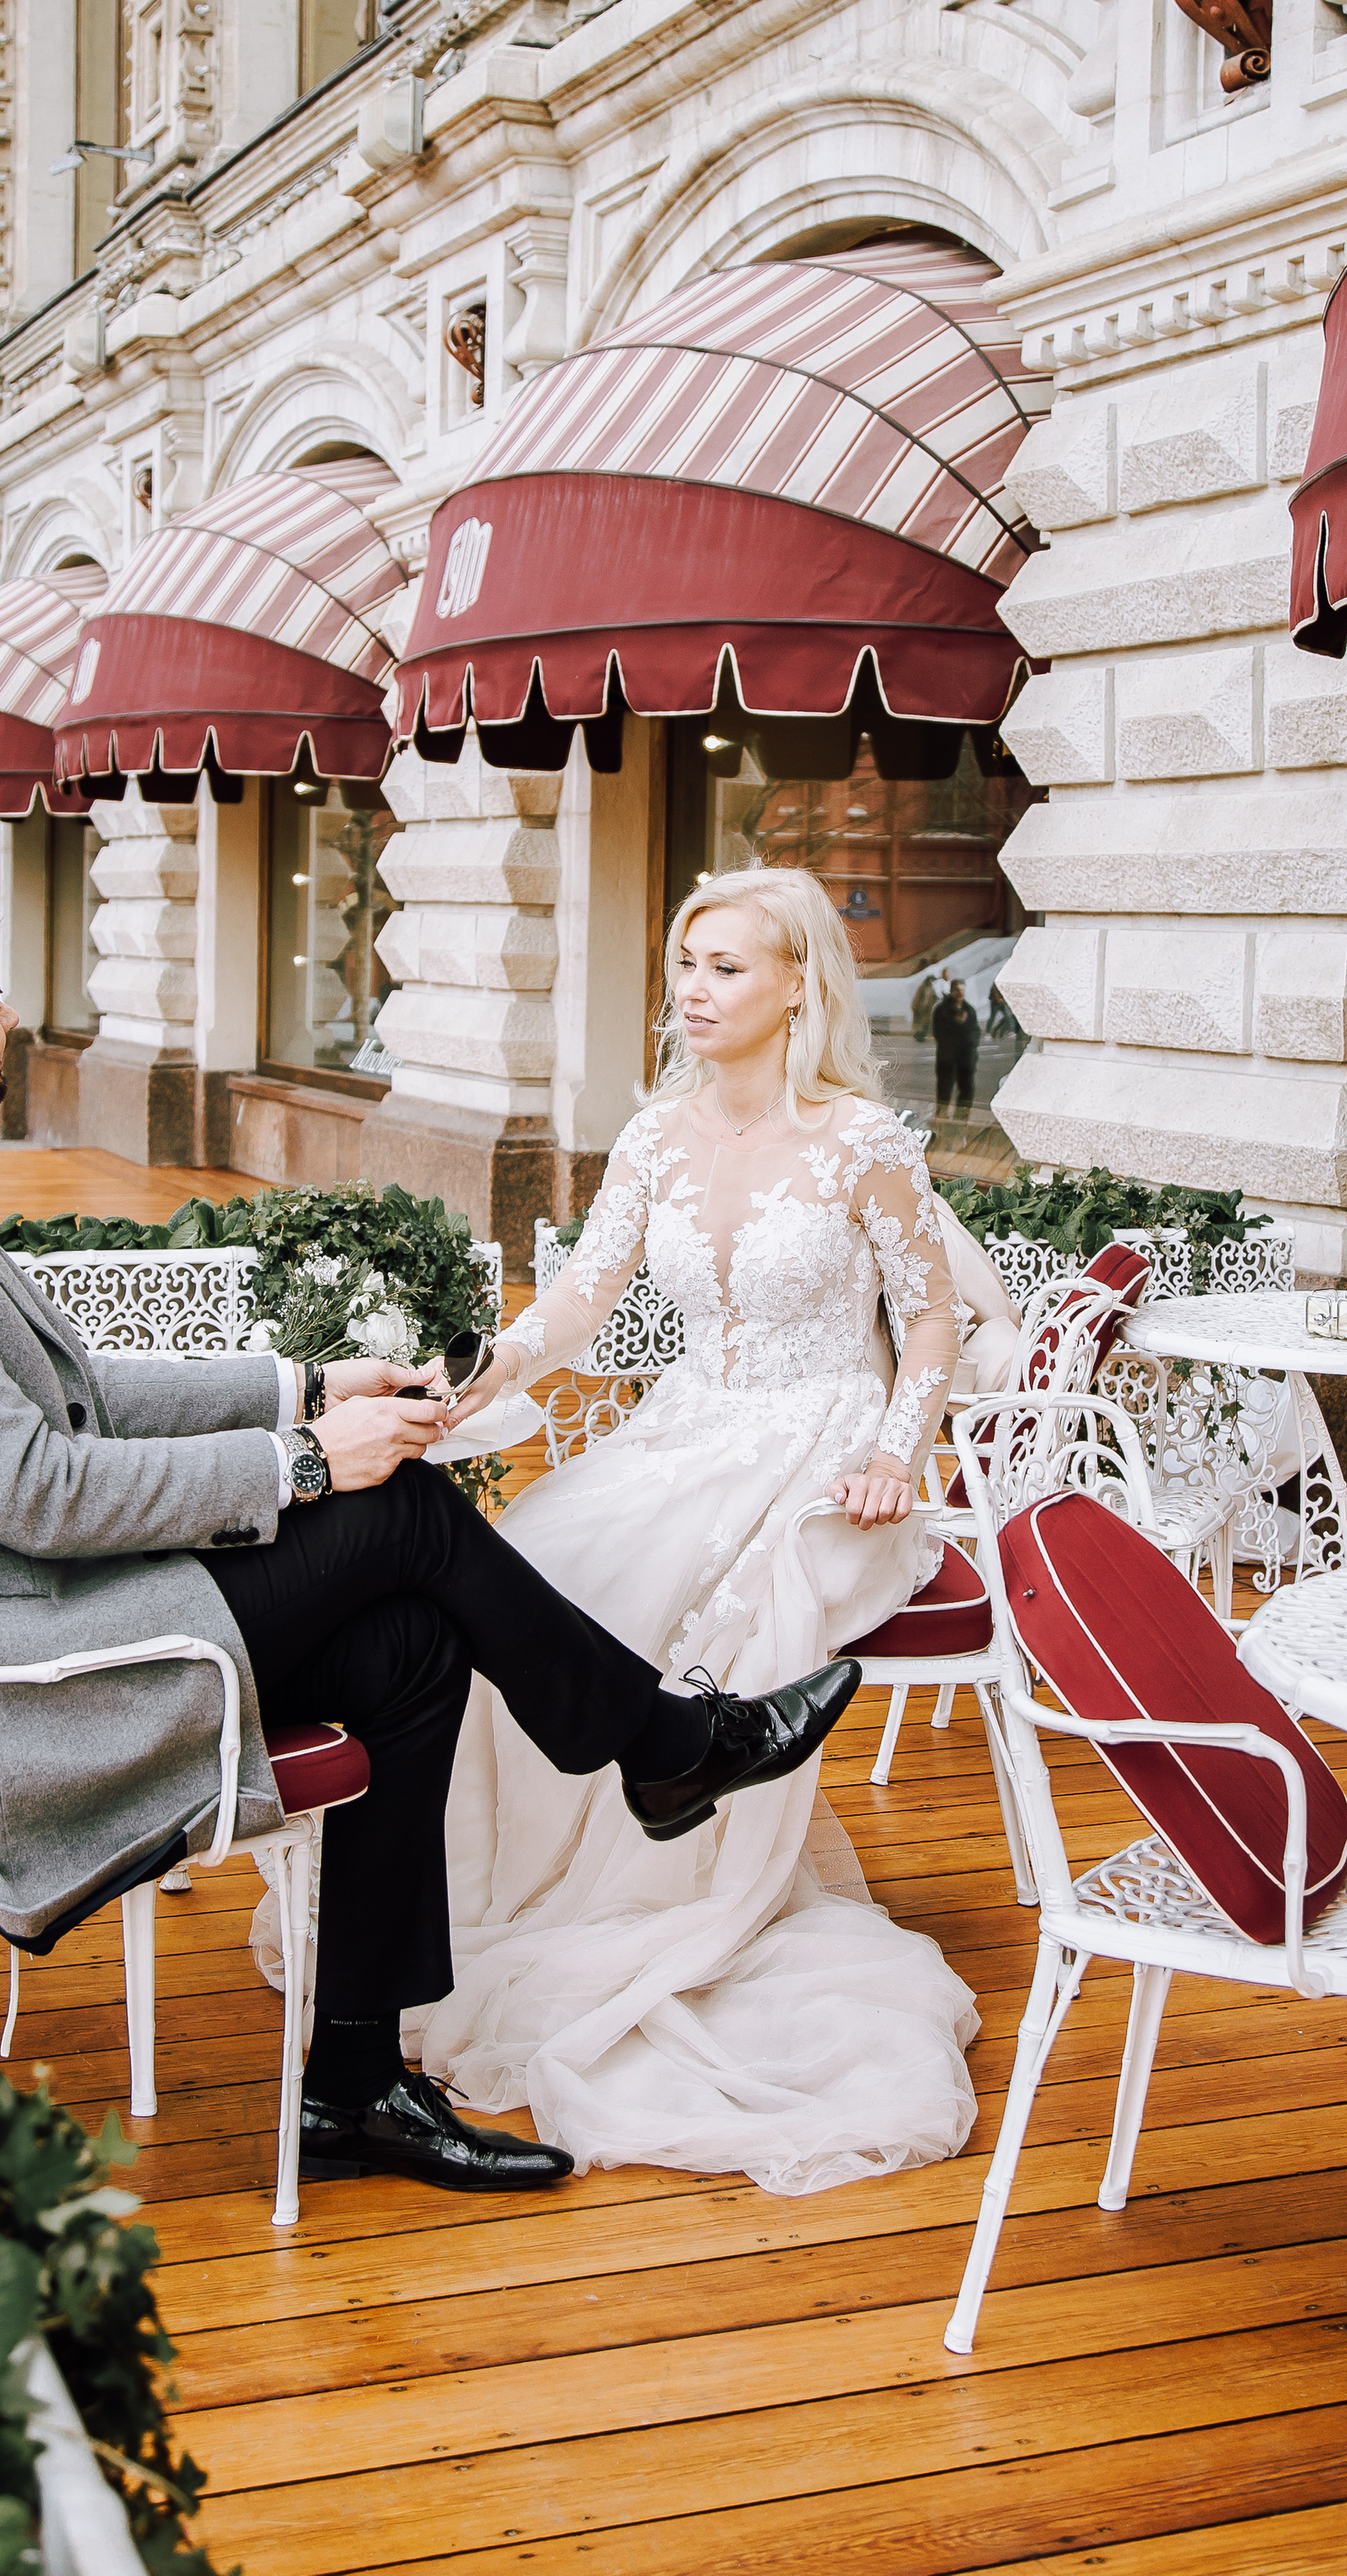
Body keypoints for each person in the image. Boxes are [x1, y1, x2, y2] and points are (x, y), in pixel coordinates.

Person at [0, 894, 861, 2199]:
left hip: (27, 1608)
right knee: (399, 1512)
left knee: (410, 1644)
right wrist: (307, 1462)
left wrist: (304, 1388)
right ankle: (666, 1744)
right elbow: (38, 1491)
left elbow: (77, 1396)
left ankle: (356, 2085)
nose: (10, 1021)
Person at [429, 864, 979, 2194]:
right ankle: (532, 1890)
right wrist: (500, 1365)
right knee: (535, 1570)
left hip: (827, 1446)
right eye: (687, 962)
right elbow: (583, 1297)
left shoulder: (864, 1143)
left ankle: (672, 1886)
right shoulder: (654, 1139)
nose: (695, 988)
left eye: (727, 966)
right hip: (689, 1424)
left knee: (682, 1605)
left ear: (799, 985)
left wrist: (894, 1456)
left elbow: (932, 1322)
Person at [932, 976, 980, 1112]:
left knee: (966, 1091)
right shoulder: (942, 1010)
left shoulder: (969, 1010)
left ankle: (961, 1119)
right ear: (952, 991)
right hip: (947, 1059)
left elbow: (975, 1032)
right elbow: (939, 1033)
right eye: (957, 990)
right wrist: (956, 1023)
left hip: (966, 1059)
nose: (960, 993)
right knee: (944, 1091)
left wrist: (971, 1048)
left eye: (962, 990)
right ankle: (942, 1118)